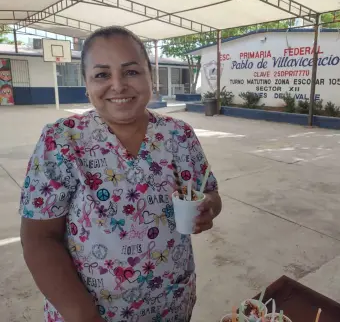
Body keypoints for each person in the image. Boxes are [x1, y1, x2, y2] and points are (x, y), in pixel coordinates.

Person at [19, 26, 221, 322]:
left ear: (149, 76)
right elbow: (39, 239)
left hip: (171, 305)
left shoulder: (179, 134)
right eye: (102, 74)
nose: (118, 85)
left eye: (131, 72)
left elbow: (210, 193)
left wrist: (208, 208)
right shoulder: (61, 140)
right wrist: (83, 315)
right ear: (86, 84)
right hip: (89, 312)